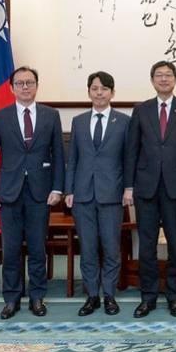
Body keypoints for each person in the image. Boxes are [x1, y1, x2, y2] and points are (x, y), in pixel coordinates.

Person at [0, 66, 64, 319]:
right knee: (11, 248)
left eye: (30, 82)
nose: (25, 87)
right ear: (12, 88)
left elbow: (59, 156)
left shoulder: (51, 115)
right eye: (20, 83)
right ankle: (11, 298)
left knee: (38, 247)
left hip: (40, 192)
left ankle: (37, 296)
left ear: (37, 86)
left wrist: (57, 188)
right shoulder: (0, 117)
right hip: (8, 192)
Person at [124, 60, 176, 318]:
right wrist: (128, 186)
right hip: (146, 188)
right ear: (152, 80)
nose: (164, 79)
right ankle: (148, 297)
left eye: (169, 75)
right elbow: (131, 150)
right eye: (159, 75)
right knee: (146, 246)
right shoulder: (141, 110)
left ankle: (174, 296)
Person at [64, 71, 130, 317]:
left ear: (112, 92)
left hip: (112, 194)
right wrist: (69, 189)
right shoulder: (79, 121)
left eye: (104, 88)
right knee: (88, 248)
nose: (99, 93)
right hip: (82, 194)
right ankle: (92, 295)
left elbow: (128, 160)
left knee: (111, 247)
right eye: (94, 88)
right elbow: (73, 159)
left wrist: (128, 189)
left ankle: (110, 295)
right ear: (89, 92)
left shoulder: (123, 121)